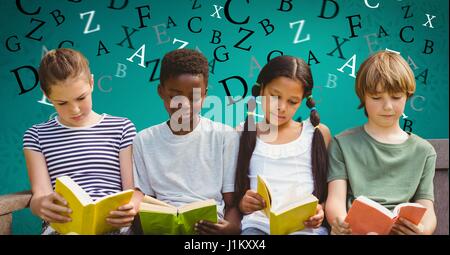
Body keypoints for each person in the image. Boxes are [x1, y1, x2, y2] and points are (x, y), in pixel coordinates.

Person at [23, 48, 140, 234]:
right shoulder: (36, 136)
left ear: (91, 83)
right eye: (62, 103)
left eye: (81, 98)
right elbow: (40, 195)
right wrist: (41, 205)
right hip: (63, 226)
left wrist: (132, 207)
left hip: (114, 224)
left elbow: (132, 189)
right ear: (46, 94)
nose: (75, 110)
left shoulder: (122, 128)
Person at [326, 50, 437, 235]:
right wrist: (339, 223)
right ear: (363, 97)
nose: (387, 107)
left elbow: (427, 208)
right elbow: (335, 200)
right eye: (376, 98)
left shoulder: (424, 151)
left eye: (396, 97)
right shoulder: (342, 143)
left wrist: (422, 230)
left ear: (407, 95)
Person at [132, 49, 241, 234]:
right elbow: (146, 202)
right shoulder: (144, 140)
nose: (185, 105)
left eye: (195, 97)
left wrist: (230, 228)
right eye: (175, 96)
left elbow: (232, 203)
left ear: (205, 94)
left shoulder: (224, 136)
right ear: (161, 92)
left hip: (209, 230)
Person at [234, 55, 331, 235]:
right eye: (275, 96)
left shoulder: (317, 133)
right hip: (257, 225)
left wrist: (321, 210)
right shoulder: (242, 133)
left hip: (305, 228)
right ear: (261, 90)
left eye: (292, 101)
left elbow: (330, 190)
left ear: (303, 100)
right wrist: (242, 203)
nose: (282, 107)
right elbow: (232, 192)